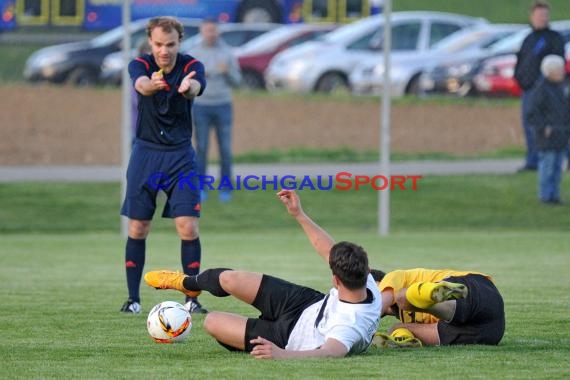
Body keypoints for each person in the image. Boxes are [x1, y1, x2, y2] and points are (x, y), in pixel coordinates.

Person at [144, 189, 382, 359]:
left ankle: (240, 339)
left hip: (288, 337)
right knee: (229, 279)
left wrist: (281, 355)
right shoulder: (367, 281)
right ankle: (188, 283)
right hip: (306, 303)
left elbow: (332, 352)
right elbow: (328, 249)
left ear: (336, 280)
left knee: (212, 321)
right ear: (366, 269)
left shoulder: (349, 326)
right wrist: (299, 214)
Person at [120, 16, 208, 315]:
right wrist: (154, 85)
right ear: (150, 42)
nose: (164, 50)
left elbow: (197, 84)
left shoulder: (191, 65)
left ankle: (192, 298)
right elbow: (141, 85)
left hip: (181, 157)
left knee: (188, 226)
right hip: (145, 155)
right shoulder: (141, 65)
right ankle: (133, 300)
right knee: (138, 226)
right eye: (159, 44)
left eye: (170, 44)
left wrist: (188, 87)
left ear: (179, 42)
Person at [369, 268, 505, 347]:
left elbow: (377, 307)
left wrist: (356, 335)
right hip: (487, 332)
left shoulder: (393, 277)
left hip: (475, 291)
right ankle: (403, 340)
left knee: (402, 298)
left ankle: (429, 291)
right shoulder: (403, 315)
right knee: (397, 328)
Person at [189, 19, 242, 203]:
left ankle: (226, 189)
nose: (211, 33)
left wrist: (227, 72)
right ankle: (201, 187)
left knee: (225, 150)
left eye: (213, 30)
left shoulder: (227, 52)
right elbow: (188, 82)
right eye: (207, 30)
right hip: (201, 106)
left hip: (223, 105)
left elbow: (238, 81)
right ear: (202, 31)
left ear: (218, 31)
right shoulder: (194, 53)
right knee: (201, 149)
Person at [514, 1, 565, 172]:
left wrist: (542, 83)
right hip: (529, 90)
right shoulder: (529, 39)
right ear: (532, 16)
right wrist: (520, 78)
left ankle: (558, 160)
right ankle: (533, 161)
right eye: (538, 15)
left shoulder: (554, 38)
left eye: (544, 15)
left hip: (547, 91)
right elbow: (521, 61)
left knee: (556, 126)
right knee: (531, 126)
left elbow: (556, 63)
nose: (542, 18)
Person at [526, 54, 570, 205]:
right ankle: (545, 196)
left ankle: (554, 195)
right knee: (547, 167)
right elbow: (531, 113)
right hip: (547, 136)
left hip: (561, 134)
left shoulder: (562, 88)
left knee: (557, 168)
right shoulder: (540, 90)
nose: (563, 72)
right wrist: (543, 127)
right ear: (550, 72)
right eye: (559, 70)